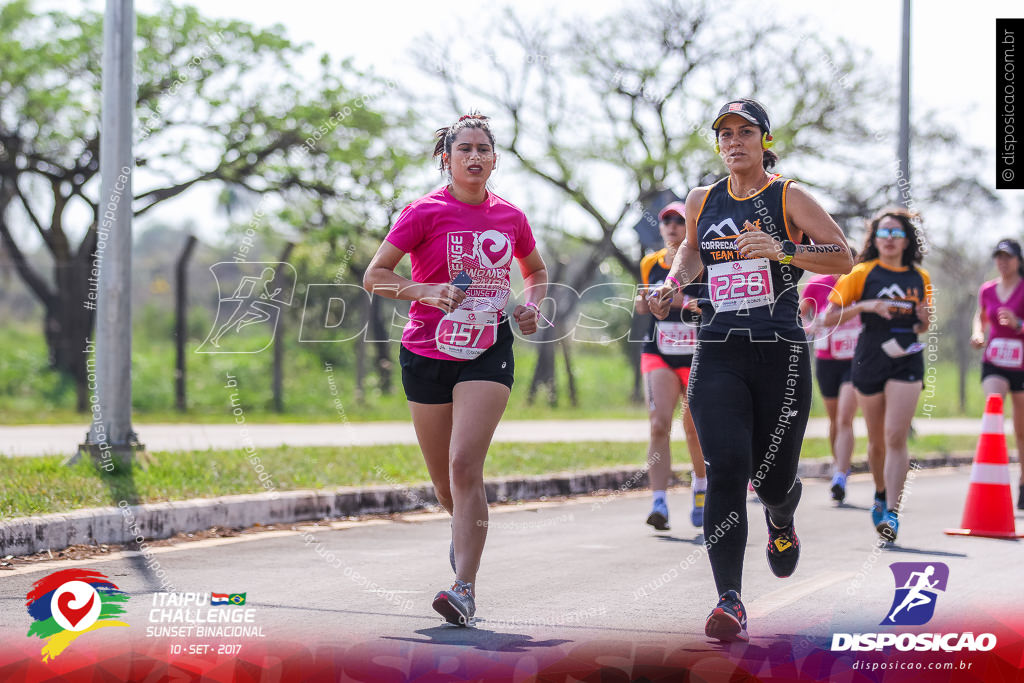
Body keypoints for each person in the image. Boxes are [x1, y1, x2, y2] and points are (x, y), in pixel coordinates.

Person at [648, 98, 852, 642]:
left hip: (781, 350)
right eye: (725, 134)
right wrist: (672, 284)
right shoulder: (702, 199)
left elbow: (843, 256)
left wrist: (784, 249)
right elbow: (691, 252)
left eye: (745, 132)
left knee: (773, 479)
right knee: (728, 465)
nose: (734, 141)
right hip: (718, 347)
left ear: (764, 139)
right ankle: (730, 599)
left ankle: (781, 519)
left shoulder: (789, 195)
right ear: (718, 144)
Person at [363, 113, 548, 626]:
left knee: (465, 463)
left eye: (482, 148)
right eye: (463, 148)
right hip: (427, 349)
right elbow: (374, 276)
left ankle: (463, 588)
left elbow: (535, 271)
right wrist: (425, 291)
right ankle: (461, 529)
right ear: (445, 159)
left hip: (489, 346)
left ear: (494, 158)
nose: (473, 156)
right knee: (446, 483)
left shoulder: (511, 216)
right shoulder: (423, 212)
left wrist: (534, 307)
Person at [824, 208, 932, 543]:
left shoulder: (920, 278)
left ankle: (893, 513)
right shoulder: (861, 273)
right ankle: (880, 493)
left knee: (896, 435)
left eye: (895, 233)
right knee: (876, 440)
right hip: (869, 357)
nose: (889, 239)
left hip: (907, 358)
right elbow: (829, 318)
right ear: (875, 238)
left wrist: (923, 319)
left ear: (906, 240)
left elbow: (923, 325)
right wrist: (867, 306)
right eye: (883, 233)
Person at [634, 201, 707, 531]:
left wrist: (679, 300)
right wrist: (643, 302)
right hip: (659, 349)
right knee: (659, 423)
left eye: (680, 219)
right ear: (661, 227)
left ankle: (702, 489)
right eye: (667, 220)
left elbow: (708, 305)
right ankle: (659, 501)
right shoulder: (650, 263)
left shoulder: (702, 260)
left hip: (696, 352)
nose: (673, 225)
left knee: (694, 428)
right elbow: (640, 306)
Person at [800, 262, 861, 504]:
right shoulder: (817, 284)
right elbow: (800, 311)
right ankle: (840, 467)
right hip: (827, 360)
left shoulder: (861, 286)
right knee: (835, 418)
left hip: (856, 360)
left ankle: (839, 476)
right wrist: (808, 327)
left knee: (846, 417)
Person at [971, 239, 1024, 510]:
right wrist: (978, 334)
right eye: (998, 257)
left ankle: (1023, 482)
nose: (1003, 262)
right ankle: (991, 475)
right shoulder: (988, 289)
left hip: (1022, 365)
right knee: (994, 405)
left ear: (1018, 260)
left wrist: (1019, 324)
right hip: (995, 361)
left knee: (1022, 429)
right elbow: (980, 317)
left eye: (1008, 257)